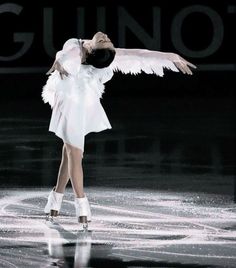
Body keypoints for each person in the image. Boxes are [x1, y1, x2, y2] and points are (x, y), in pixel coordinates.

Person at [42, 31, 196, 230]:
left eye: (104, 41)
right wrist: (59, 61)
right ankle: (68, 201)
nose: (105, 37)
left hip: (79, 100)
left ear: (92, 50)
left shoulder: (83, 51)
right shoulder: (84, 51)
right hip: (69, 98)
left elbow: (141, 54)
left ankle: (69, 201)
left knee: (72, 152)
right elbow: (65, 56)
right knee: (72, 151)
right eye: (106, 40)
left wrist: (171, 58)